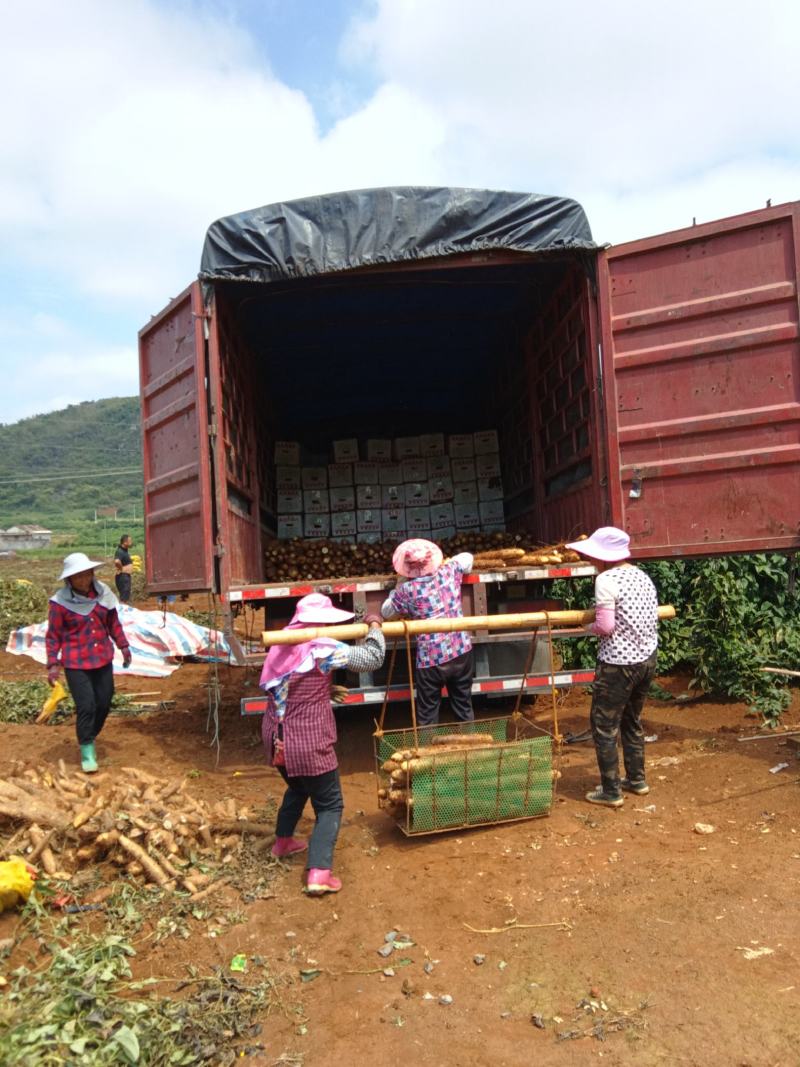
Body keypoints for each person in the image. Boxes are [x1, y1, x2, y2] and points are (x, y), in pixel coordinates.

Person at [259, 593, 386, 895]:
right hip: (307, 739)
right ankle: (319, 872)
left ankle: (283, 842)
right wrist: (375, 626)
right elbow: (373, 658)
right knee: (330, 805)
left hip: (276, 738)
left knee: (299, 786)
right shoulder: (322, 648)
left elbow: (290, 688)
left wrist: (325, 689)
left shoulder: (281, 644)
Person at [565, 527, 659, 808]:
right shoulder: (642, 576)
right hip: (647, 659)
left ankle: (610, 791)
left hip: (618, 664)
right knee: (632, 720)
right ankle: (637, 779)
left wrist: (585, 626)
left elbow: (606, 626)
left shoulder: (606, 579)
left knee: (604, 726)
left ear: (603, 557)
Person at [45, 552, 132, 773]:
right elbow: (53, 635)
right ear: (69, 580)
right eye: (78, 577)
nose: (84, 580)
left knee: (104, 702)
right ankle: (87, 750)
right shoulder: (59, 604)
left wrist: (124, 645)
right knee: (87, 706)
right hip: (75, 662)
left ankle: (88, 735)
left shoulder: (103, 595)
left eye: (87, 574)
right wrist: (53, 664)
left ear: (92, 574)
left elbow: (113, 624)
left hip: (102, 657)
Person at [381, 539, 474, 726]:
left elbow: (386, 612)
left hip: (431, 661)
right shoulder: (449, 571)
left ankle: (427, 754)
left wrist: (396, 589)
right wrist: (448, 562)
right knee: (464, 707)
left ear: (407, 569)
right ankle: (471, 750)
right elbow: (468, 558)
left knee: (428, 714)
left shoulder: (407, 590)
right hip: (461, 651)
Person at [114, 535, 134, 604]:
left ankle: (122, 611)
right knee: (123, 597)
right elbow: (117, 561)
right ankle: (122, 612)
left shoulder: (124, 551)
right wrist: (121, 568)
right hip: (123, 577)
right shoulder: (120, 551)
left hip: (125, 576)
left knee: (125, 596)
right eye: (130, 541)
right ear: (125, 542)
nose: (131, 542)